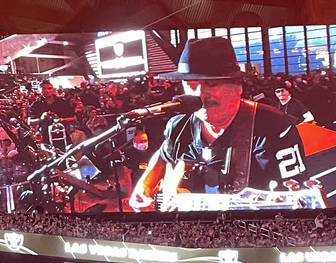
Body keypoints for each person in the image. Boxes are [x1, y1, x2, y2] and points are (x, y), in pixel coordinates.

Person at [130, 36, 309, 209]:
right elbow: (164, 155)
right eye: (191, 84)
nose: (200, 94)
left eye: (211, 84)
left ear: (238, 87)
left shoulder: (274, 128)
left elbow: (297, 196)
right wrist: (145, 185)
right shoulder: (177, 126)